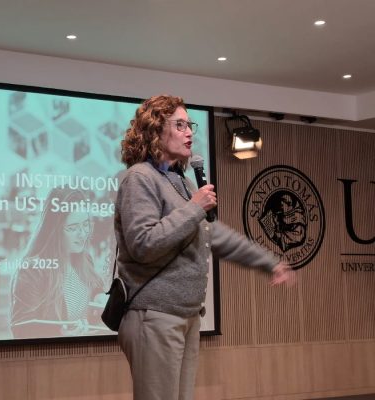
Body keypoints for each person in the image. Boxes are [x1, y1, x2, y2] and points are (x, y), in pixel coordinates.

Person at [114, 95, 295, 400]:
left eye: (190, 125)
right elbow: (143, 244)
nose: (189, 133)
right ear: (155, 131)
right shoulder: (140, 178)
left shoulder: (181, 182)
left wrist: (268, 262)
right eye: (179, 125)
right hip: (155, 315)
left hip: (186, 315)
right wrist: (195, 208)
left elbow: (214, 234)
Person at [10, 187, 104, 339]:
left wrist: (98, 296)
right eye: (72, 228)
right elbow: (20, 330)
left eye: (86, 224)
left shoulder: (85, 258)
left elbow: (92, 289)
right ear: (54, 230)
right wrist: (58, 334)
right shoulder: (32, 270)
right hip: (54, 353)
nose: (83, 234)